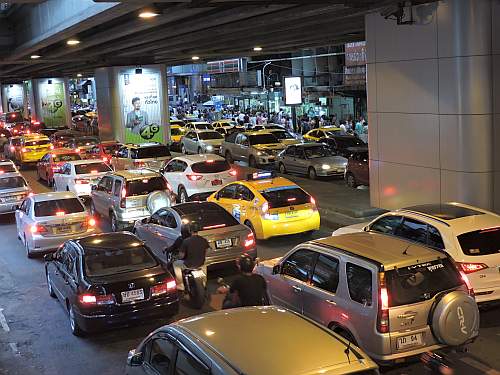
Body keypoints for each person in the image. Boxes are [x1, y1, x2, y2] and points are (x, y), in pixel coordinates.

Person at [167, 223, 209, 292]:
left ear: (190, 231)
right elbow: (207, 251)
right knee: (204, 264)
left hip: (189, 264)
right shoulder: (203, 240)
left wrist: (176, 258)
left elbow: (181, 256)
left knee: (176, 264)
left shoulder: (186, 241)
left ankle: (180, 284)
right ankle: (204, 283)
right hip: (201, 263)